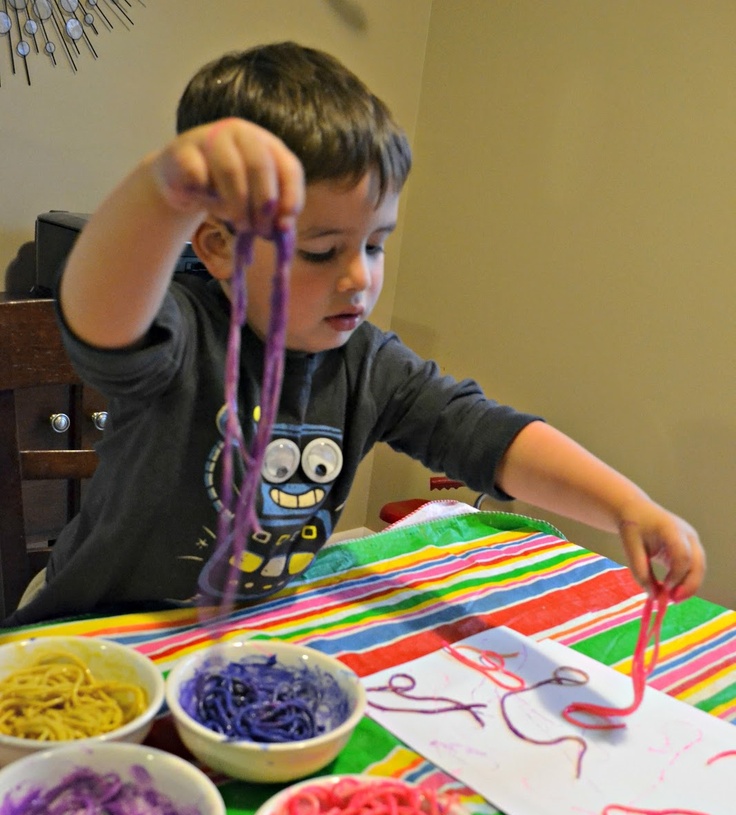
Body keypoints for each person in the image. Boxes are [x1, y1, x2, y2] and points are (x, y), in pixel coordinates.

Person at [5, 41, 705, 627]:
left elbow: (490, 435)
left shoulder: (371, 366)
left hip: (243, 636)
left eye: (374, 245)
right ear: (218, 245)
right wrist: (165, 190)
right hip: (94, 635)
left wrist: (626, 505)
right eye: (321, 250)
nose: (358, 280)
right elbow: (98, 309)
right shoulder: (179, 335)